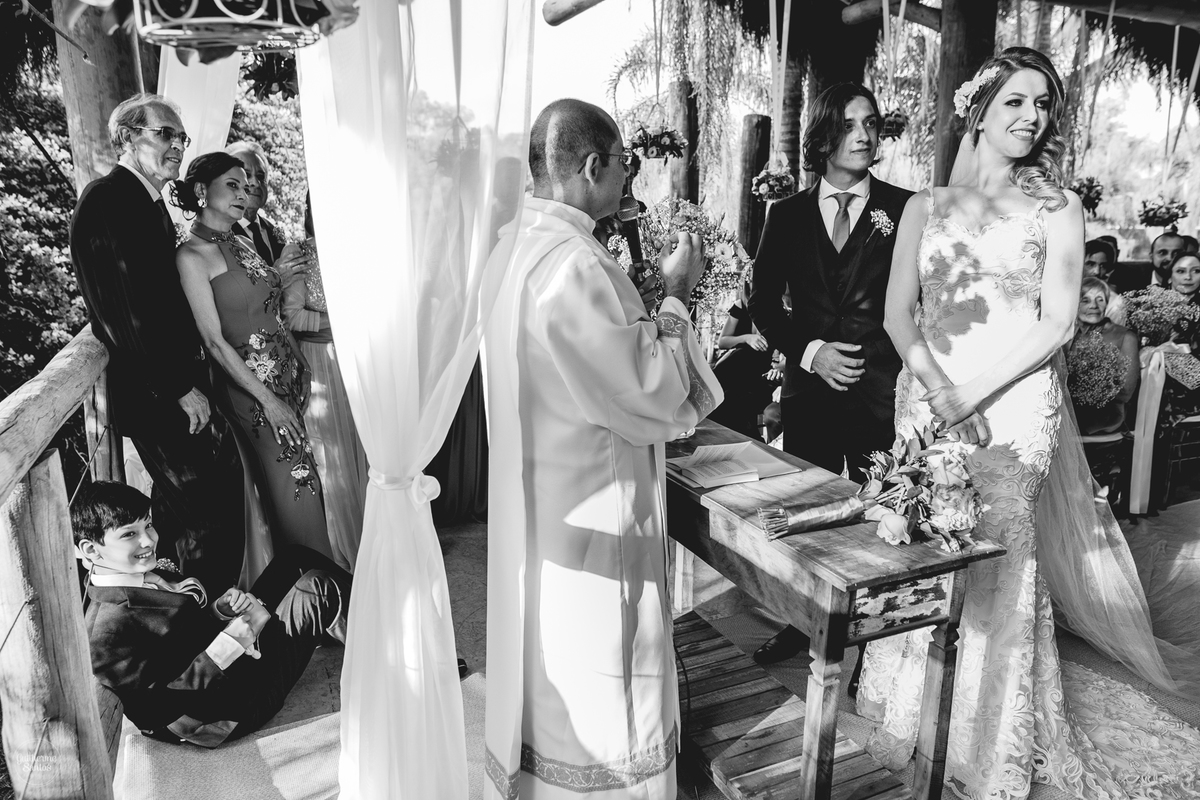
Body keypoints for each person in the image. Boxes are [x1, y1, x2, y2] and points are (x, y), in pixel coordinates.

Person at [857, 48, 1200, 799]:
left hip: (1015, 405)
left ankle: (992, 736)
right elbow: (896, 313)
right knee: (924, 546)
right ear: (978, 109)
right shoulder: (923, 206)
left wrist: (973, 394)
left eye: (1043, 104)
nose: (1032, 117)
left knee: (1001, 559)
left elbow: (1056, 324)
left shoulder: (1059, 208)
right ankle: (915, 714)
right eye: (1016, 101)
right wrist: (940, 391)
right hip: (929, 397)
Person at [483, 98, 722, 800]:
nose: (628, 179)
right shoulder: (575, 265)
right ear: (592, 166)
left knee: (554, 653)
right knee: (607, 671)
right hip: (597, 506)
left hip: (541, 494)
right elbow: (649, 388)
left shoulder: (512, 251)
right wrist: (676, 295)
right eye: (624, 164)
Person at [747, 82, 912, 665]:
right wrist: (811, 351)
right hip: (810, 394)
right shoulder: (786, 214)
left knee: (884, 513)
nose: (864, 135)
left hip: (881, 393)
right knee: (808, 514)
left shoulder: (905, 208)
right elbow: (763, 303)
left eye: (871, 123)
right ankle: (801, 621)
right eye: (848, 124)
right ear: (822, 136)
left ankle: (879, 645)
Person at [69, 93, 244, 589]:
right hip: (159, 394)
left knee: (183, 518)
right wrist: (177, 387)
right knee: (207, 521)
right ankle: (206, 626)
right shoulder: (106, 200)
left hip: (177, 386)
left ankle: (179, 612)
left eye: (181, 137)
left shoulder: (149, 201)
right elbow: (122, 313)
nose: (178, 146)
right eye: (165, 134)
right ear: (127, 138)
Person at [76, 481, 349, 748]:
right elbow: (157, 708)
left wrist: (218, 613)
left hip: (234, 660)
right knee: (318, 588)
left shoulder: (130, 572)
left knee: (294, 558)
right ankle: (376, 655)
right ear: (91, 549)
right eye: (129, 534)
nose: (148, 540)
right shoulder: (105, 633)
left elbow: (178, 638)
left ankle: (368, 610)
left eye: (147, 525)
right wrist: (231, 643)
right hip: (227, 709)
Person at [174, 153, 333, 565]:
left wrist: (298, 365)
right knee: (295, 483)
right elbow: (214, 342)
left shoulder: (241, 242)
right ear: (201, 190)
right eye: (232, 185)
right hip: (252, 393)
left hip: (286, 380)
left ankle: (315, 580)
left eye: (246, 187)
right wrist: (269, 400)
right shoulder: (191, 257)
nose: (243, 194)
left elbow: (269, 309)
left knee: (304, 479)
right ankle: (311, 584)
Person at [280, 194, 368, 571]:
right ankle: (345, 551)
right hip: (320, 364)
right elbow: (290, 316)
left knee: (365, 451)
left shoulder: (360, 251)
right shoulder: (298, 252)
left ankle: (376, 540)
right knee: (333, 458)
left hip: (360, 364)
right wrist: (344, 322)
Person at [708, 274, 777, 439]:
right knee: (726, 393)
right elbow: (722, 341)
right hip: (737, 366)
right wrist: (747, 338)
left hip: (761, 372)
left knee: (736, 397)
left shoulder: (775, 308)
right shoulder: (740, 305)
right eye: (752, 281)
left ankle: (745, 437)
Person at [1070, 277, 1138, 435]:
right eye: (1085, 300)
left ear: (1107, 303)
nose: (1093, 306)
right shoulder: (1067, 335)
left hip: (1106, 414)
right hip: (1069, 410)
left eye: (1100, 299)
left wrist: (1088, 390)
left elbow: (1126, 393)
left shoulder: (1125, 336)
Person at [225, 141, 287, 267]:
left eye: (260, 176)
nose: (256, 183)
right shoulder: (217, 231)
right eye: (246, 175)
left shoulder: (273, 231)